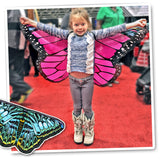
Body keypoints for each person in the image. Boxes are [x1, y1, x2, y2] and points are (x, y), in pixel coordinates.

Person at [20, 8, 146, 146]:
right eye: (76, 25)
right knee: (76, 107)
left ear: (88, 24)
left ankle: (89, 130)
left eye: (82, 24)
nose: (80, 27)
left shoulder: (93, 35)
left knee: (87, 107)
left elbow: (115, 29)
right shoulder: (67, 36)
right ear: (71, 25)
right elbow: (47, 29)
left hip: (87, 80)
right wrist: (30, 22)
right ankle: (78, 130)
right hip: (73, 80)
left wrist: (135, 24)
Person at [8, 9, 33, 104]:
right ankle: (16, 95)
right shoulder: (24, 10)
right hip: (19, 41)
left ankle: (23, 88)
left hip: (11, 41)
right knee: (18, 68)